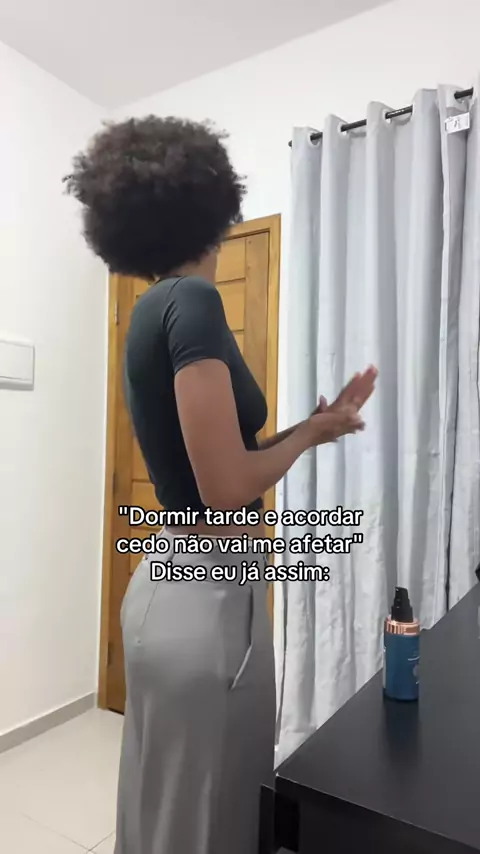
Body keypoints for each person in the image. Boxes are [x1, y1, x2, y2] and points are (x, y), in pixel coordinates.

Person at [65, 116, 377, 854]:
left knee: (165, 810)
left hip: (173, 586)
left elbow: (219, 461)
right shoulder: (194, 302)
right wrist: (310, 436)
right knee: (207, 819)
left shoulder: (153, 309)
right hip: (205, 594)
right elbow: (227, 487)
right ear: (213, 202)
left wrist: (310, 426)